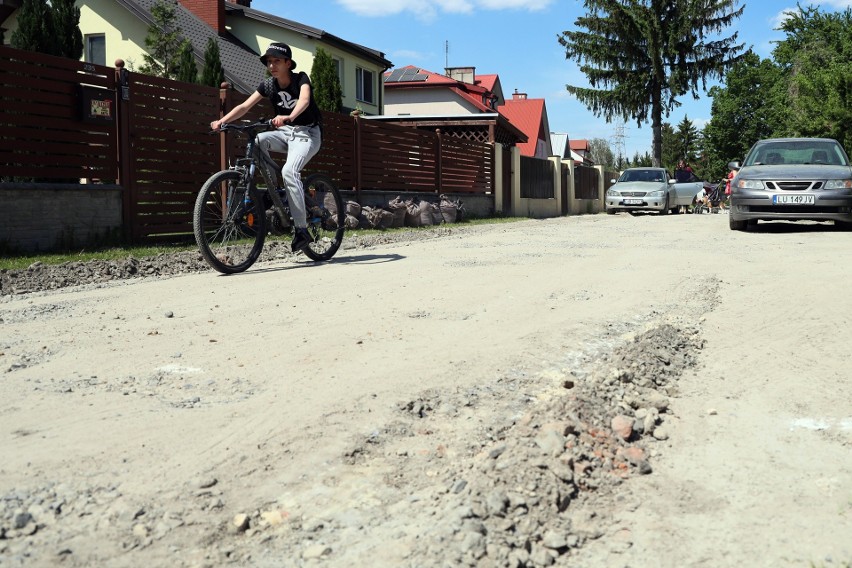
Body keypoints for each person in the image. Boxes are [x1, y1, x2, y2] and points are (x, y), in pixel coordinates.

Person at [210, 43, 323, 253]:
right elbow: (244, 106)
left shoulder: (301, 79)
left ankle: (301, 230)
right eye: (269, 62)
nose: (272, 65)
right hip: (285, 133)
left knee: (290, 171)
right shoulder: (269, 85)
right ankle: (272, 191)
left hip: (307, 134)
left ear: (288, 63)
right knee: (259, 140)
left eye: (277, 61)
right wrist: (222, 121)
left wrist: (289, 116)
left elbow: (305, 100)